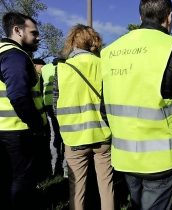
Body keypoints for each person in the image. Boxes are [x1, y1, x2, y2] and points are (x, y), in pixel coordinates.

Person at [101, 0, 172, 209]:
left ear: (140, 17)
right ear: (170, 17)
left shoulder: (110, 51)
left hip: (124, 157)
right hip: (161, 160)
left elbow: (105, 108)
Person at [53, 24, 114, 210]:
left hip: (74, 137)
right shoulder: (104, 65)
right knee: (106, 185)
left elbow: (56, 104)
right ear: (94, 42)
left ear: (72, 42)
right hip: (103, 134)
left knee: (77, 187)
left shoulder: (61, 69)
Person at [0, 12, 45, 210]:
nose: (38, 37)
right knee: (22, 182)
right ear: (17, 30)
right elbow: (18, 95)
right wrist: (36, 125)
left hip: (6, 129)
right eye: (33, 33)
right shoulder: (15, 55)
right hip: (17, 132)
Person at [41, 58, 66, 176]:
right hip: (63, 105)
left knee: (53, 136)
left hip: (48, 105)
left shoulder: (45, 69)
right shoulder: (66, 67)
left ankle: (53, 169)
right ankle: (66, 170)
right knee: (65, 136)